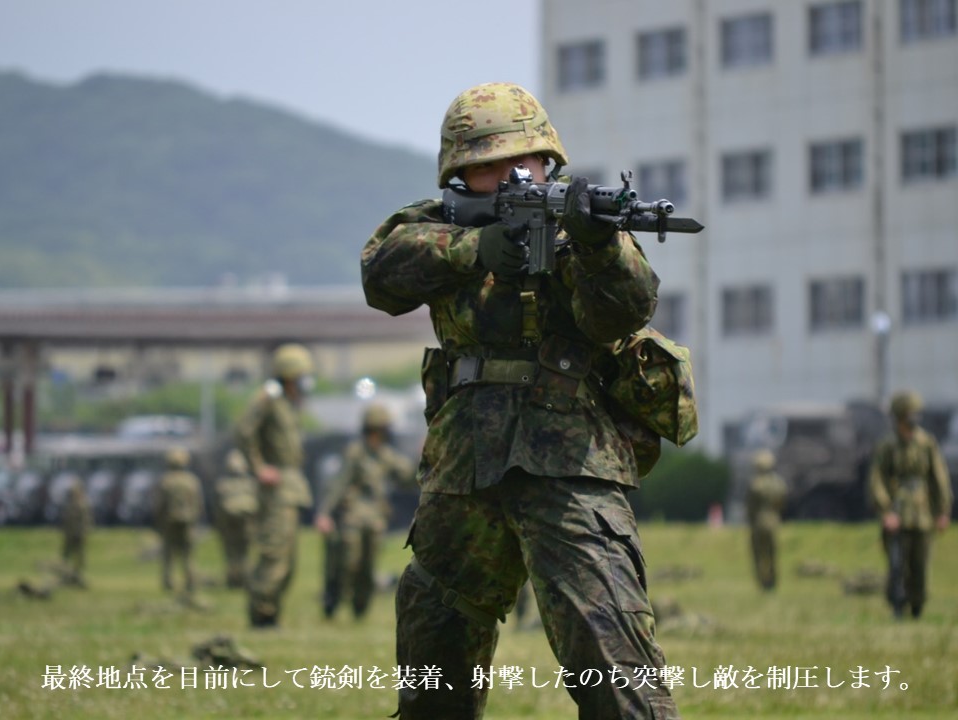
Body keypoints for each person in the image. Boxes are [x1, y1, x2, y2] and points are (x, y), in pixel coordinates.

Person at [361, 82, 680, 719]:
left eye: (522, 162)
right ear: (460, 173)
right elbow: (382, 272)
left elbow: (627, 306)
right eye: (488, 164)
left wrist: (595, 243)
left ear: (547, 161)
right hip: (461, 469)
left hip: (568, 463)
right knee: (435, 657)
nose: (511, 175)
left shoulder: (583, 230)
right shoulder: (437, 226)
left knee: (610, 655)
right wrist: (474, 247)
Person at [235, 342, 314, 628]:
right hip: (276, 490)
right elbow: (244, 431)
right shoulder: (268, 397)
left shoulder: (288, 402)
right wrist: (259, 468)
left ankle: (271, 613)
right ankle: (261, 616)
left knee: (288, 560)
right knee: (274, 555)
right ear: (291, 374)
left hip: (291, 488)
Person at [313, 402, 416, 620]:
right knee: (347, 563)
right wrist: (324, 513)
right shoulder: (355, 453)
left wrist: (424, 459)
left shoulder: (385, 454)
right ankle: (333, 602)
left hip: (375, 519)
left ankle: (360, 608)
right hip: (352, 517)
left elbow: (408, 476)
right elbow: (339, 484)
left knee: (368, 566)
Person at [869, 390, 952, 619]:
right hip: (898, 512)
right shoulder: (887, 445)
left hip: (923, 514)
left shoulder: (927, 443)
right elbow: (877, 480)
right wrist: (886, 511)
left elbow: (939, 478)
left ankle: (918, 605)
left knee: (921, 564)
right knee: (897, 564)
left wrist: (943, 511)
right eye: (909, 413)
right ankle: (898, 605)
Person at [153, 446, 204, 595]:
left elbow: (160, 504)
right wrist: (196, 519)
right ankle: (190, 581)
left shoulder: (166, 481)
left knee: (168, 553)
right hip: (188, 521)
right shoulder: (192, 481)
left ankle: (168, 581)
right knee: (188, 554)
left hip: (169, 520)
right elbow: (198, 503)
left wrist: (158, 521)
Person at [213, 449, 258, 589]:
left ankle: (233, 579)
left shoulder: (222, 484)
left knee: (231, 551)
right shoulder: (251, 484)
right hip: (247, 521)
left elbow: (217, 506)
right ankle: (246, 579)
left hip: (228, 521)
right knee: (244, 552)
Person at [746, 449, 788, 591]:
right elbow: (782, 501)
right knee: (772, 554)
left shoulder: (755, 484)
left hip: (759, 523)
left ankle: (763, 582)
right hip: (774, 521)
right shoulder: (779, 483)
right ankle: (773, 581)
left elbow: (750, 507)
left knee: (758, 554)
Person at [60, 478, 93, 587]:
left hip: (78, 533)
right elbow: (66, 520)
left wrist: (84, 533)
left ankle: (77, 575)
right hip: (70, 534)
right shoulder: (69, 503)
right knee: (66, 555)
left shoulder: (83, 503)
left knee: (79, 556)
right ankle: (65, 573)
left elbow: (85, 520)